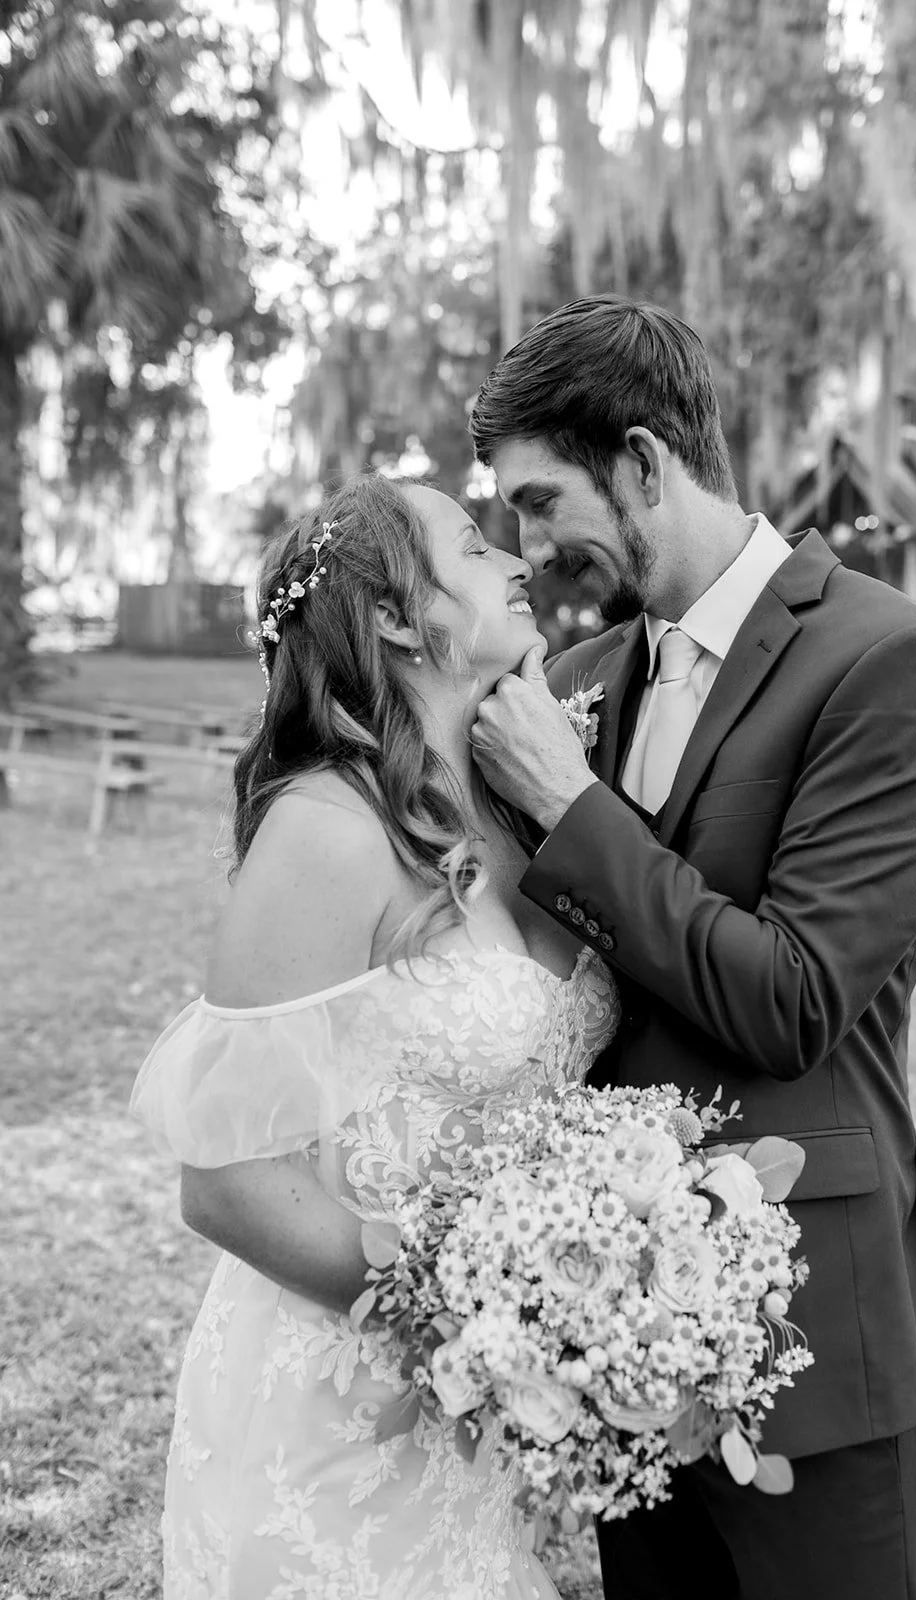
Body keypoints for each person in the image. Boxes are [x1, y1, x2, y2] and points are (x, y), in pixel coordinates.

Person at [468, 295, 916, 1600]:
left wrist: (568, 810)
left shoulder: (889, 663)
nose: (528, 552)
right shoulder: (578, 678)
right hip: (615, 1331)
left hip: (805, 1325)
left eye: (541, 505)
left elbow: (792, 998)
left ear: (643, 462)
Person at [129, 473, 619, 1600]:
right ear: (398, 618)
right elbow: (226, 1180)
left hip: (470, 1426)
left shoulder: (522, 806)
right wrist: (476, 1308)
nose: (516, 559)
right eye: (472, 542)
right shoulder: (323, 831)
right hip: (332, 1405)